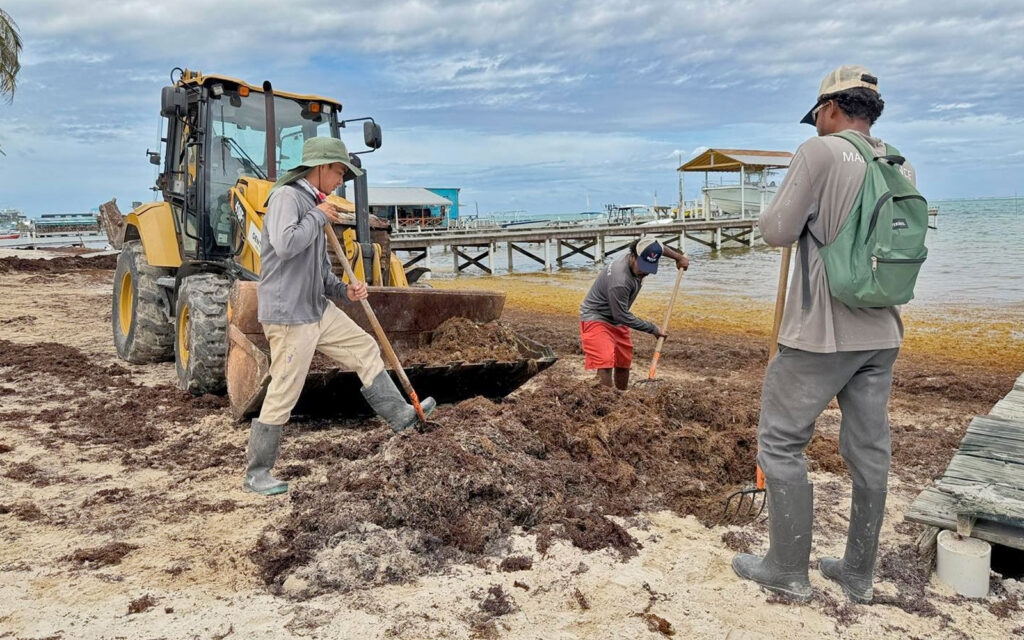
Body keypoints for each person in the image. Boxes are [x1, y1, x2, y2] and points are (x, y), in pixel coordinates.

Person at [732, 66, 913, 603]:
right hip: (882, 329)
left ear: (832, 109)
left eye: (817, 116)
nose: (815, 126)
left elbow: (776, 230)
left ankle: (787, 568)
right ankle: (858, 572)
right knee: (869, 450)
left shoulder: (820, 152)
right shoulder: (897, 160)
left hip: (820, 333)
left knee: (781, 442)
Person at [243, 136, 436, 496]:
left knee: (364, 347)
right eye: (338, 172)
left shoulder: (317, 203)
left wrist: (342, 290)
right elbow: (285, 246)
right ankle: (257, 473)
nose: (341, 181)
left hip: (317, 306)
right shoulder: (287, 197)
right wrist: (317, 216)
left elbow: (318, 270)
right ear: (319, 168)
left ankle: (402, 418)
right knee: (285, 388)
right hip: (290, 314)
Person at [578, 236, 689, 389]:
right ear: (632, 257)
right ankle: (606, 401)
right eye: (642, 266)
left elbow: (659, 247)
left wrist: (678, 258)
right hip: (596, 317)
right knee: (605, 362)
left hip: (617, 318)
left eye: (649, 267)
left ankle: (622, 397)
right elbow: (621, 315)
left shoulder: (646, 249)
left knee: (623, 362)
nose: (645, 272)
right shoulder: (620, 281)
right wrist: (653, 329)